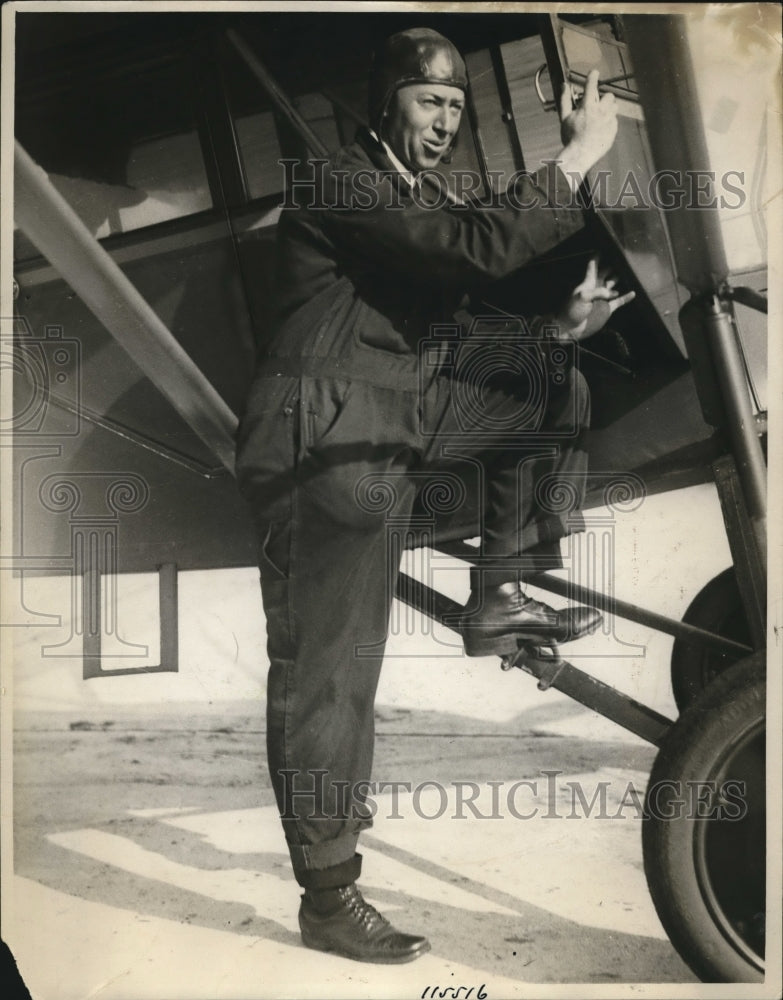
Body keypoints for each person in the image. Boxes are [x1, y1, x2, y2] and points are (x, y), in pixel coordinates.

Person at [236, 27, 632, 964]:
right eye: (429, 103)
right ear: (387, 106)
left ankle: (497, 589)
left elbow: (463, 316)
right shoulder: (341, 179)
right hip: (319, 438)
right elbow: (463, 252)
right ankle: (329, 899)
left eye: (455, 107)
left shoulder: (414, 194)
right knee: (331, 674)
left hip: (389, 418)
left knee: (546, 377)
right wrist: (571, 159)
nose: (445, 122)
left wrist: (555, 328)